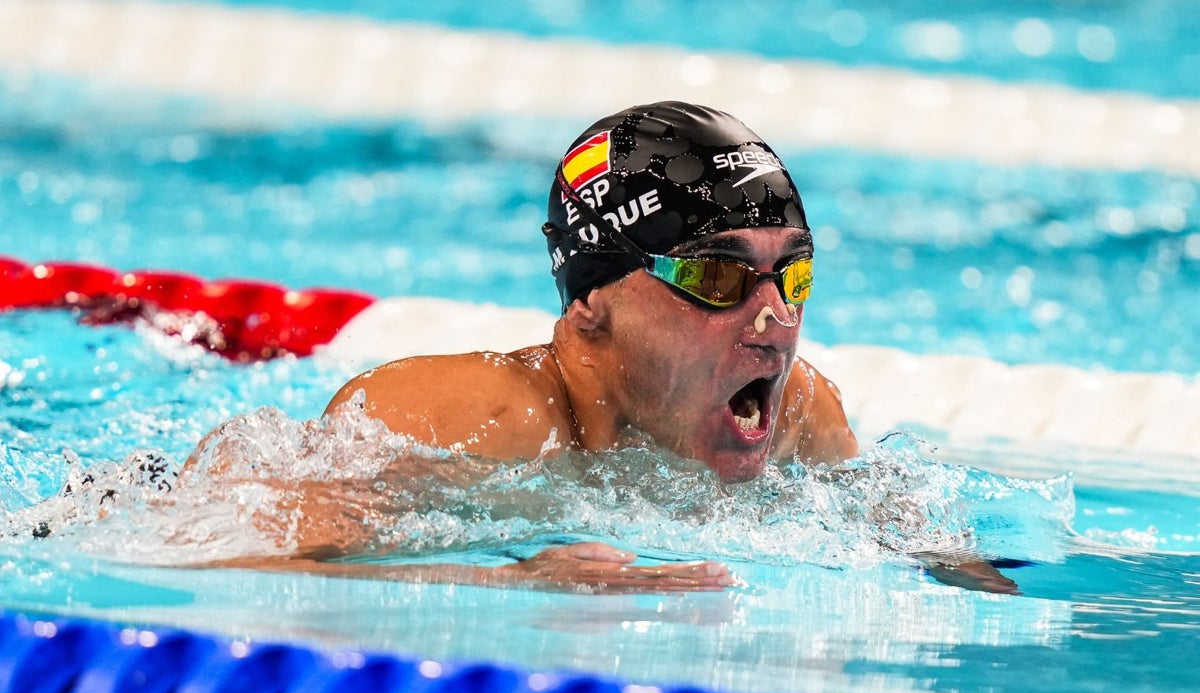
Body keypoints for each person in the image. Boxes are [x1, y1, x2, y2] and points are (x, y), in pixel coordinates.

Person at [194, 101, 1015, 594]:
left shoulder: (800, 415)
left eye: (791, 274)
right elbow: (241, 567)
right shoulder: (464, 420)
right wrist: (504, 584)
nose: (775, 320)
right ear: (591, 298)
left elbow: (929, 554)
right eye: (719, 276)